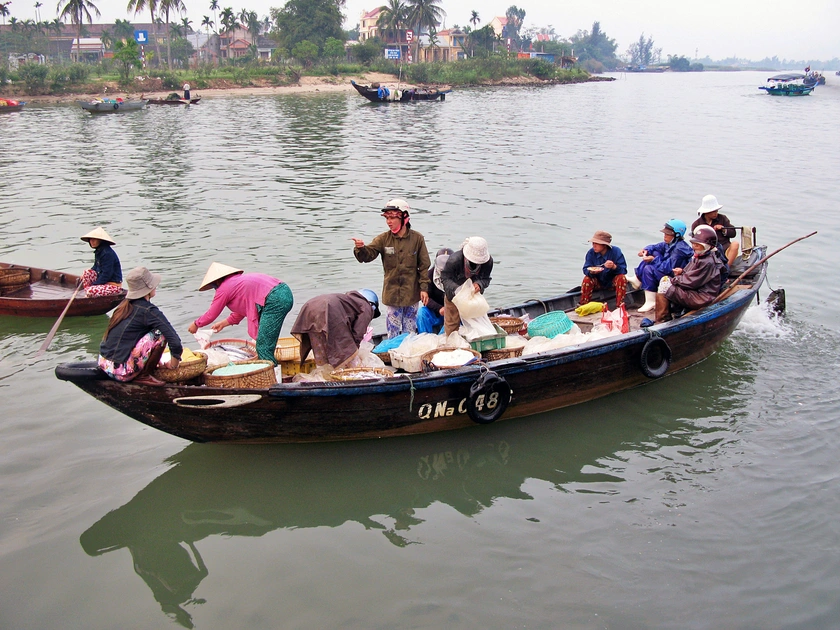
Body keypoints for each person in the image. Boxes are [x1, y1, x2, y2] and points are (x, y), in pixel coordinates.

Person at [352, 198, 431, 338]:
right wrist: (360, 249)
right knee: (392, 333)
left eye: (392, 217)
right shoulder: (383, 239)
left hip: (411, 294)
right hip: (392, 294)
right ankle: (392, 354)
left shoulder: (417, 239)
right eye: (387, 218)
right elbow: (368, 255)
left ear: (404, 217)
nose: (389, 221)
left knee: (410, 332)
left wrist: (424, 288)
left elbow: (424, 266)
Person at [187, 263, 294, 365]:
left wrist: (196, 324)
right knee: (265, 343)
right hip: (283, 291)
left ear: (217, 281)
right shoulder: (236, 283)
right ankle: (272, 370)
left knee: (263, 347)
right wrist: (224, 323)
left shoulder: (224, 289)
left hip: (275, 298)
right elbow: (243, 309)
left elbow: (211, 314)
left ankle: (272, 378)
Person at [98, 267, 183, 386]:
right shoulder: (149, 311)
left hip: (104, 364)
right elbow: (175, 342)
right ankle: (144, 375)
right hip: (122, 372)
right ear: (148, 290)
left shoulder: (123, 307)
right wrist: (173, 365)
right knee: (160, 333)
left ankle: (143, 368)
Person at [290, 289, 380, 368]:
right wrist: (354, 349)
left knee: (319, 349)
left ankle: (323, 375)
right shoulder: (366, 306)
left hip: (309, 308)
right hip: (329, 310)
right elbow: (358, 331)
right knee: (348, 354)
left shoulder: (347, 300)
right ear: (372, 304)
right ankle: (347, 375)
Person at [655, 225, 727, 323]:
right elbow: (692, 274)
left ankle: (662, 319)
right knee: (666, 280)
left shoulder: (707, 262)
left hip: (702, 297)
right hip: (696, 291)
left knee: (665, 284)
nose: (693, 247)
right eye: (694, 244)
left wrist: (674, 280)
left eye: (697, 245)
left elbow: (691, 282)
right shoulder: (701, 256)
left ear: (706, 246)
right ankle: (670, 313)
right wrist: (682, 271)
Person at [634, 219, 693, 313]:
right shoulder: (669, 244)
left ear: (676, 235)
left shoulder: (679, 249)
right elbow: (655, 247)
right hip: (666, 270)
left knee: (649, 268)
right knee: (654, 252)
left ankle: (651, 301)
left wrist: (653, 260)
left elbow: (668, 268)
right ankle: (637, 279)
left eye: (668, 234)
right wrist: (645, 250)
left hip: (674, 277)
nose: (665, 236)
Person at [440, 237, 493, 337]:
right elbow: (445, 279)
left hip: (474, 298)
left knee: (477, 327)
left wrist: (479, 284)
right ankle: (453, 345)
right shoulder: (454, 260)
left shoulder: (488, 262)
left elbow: (486, 279)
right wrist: (457, 290)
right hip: (454, 296)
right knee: (452, 326)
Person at [579, 230, 627, 306]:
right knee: (587, 279)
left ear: (604, 245)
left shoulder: (616, 251)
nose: (594, 246)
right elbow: (585, 269)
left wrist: (614, 267)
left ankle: (620, 306)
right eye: (593, 243)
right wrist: (591, 272)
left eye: (597, 244)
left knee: (622, 278)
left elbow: (623, 270)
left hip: (612, 282)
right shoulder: (591, 253)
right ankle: (584, 305)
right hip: (597, 282)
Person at [692, 194, 739, 267]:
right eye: (713, 211)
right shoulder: (697, 224)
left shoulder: (722, 218)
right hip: (708, 250)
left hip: (725, 248)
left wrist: (723, 229)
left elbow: (733, 233)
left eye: (716, 211)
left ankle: (726, 267)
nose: (715, 213)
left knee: (735, 244)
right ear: (706, 212)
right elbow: (694, 241)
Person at [416, 247, 453, 334]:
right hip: (436, 312)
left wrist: (450, 309)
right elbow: (425, 299)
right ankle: (425, 338)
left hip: (452, 312)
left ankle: (444, 339)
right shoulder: (429, 275)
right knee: (421, 313)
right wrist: (439, 308)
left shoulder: (458, 276)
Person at [80, 227, 124, 297]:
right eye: (90, 239)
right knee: (87, 272)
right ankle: (88, 294)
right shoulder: (99, 251)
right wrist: (87, 273)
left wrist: (94, 286)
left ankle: (89, 293)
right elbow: (95, 267)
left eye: (94, 239)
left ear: (100, 240)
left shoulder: (107, 253)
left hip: (113, 285)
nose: (92, 241)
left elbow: (106, 274)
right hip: (104, 283)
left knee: (90, 290)